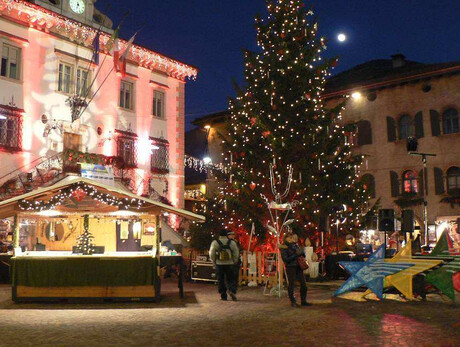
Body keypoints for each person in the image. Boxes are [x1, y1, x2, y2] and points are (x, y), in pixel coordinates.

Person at [280, 232, 311, 307]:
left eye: (292, 237)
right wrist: (295, 255)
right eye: (290, 238)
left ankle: (303, 301)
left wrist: (302, 253)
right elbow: (286, 259)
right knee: (291, 285)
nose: (292, 239)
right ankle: (293, 301)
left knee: (303, 284)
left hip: (299, 267)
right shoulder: (283, 247)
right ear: (286, 238)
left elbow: (302, 254)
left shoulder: (295, 245)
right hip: (291, 267)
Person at [209, 229, 239, 301]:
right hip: (230, 263)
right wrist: (234, 261)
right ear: (226, 235)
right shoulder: (232, 243)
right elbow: (236, 253)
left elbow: (212, 253)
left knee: (221, 280)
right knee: (231, 278)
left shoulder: (215, 243)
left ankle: (223, 295)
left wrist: (214, 261)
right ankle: (232, 290)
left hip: (219, 264)